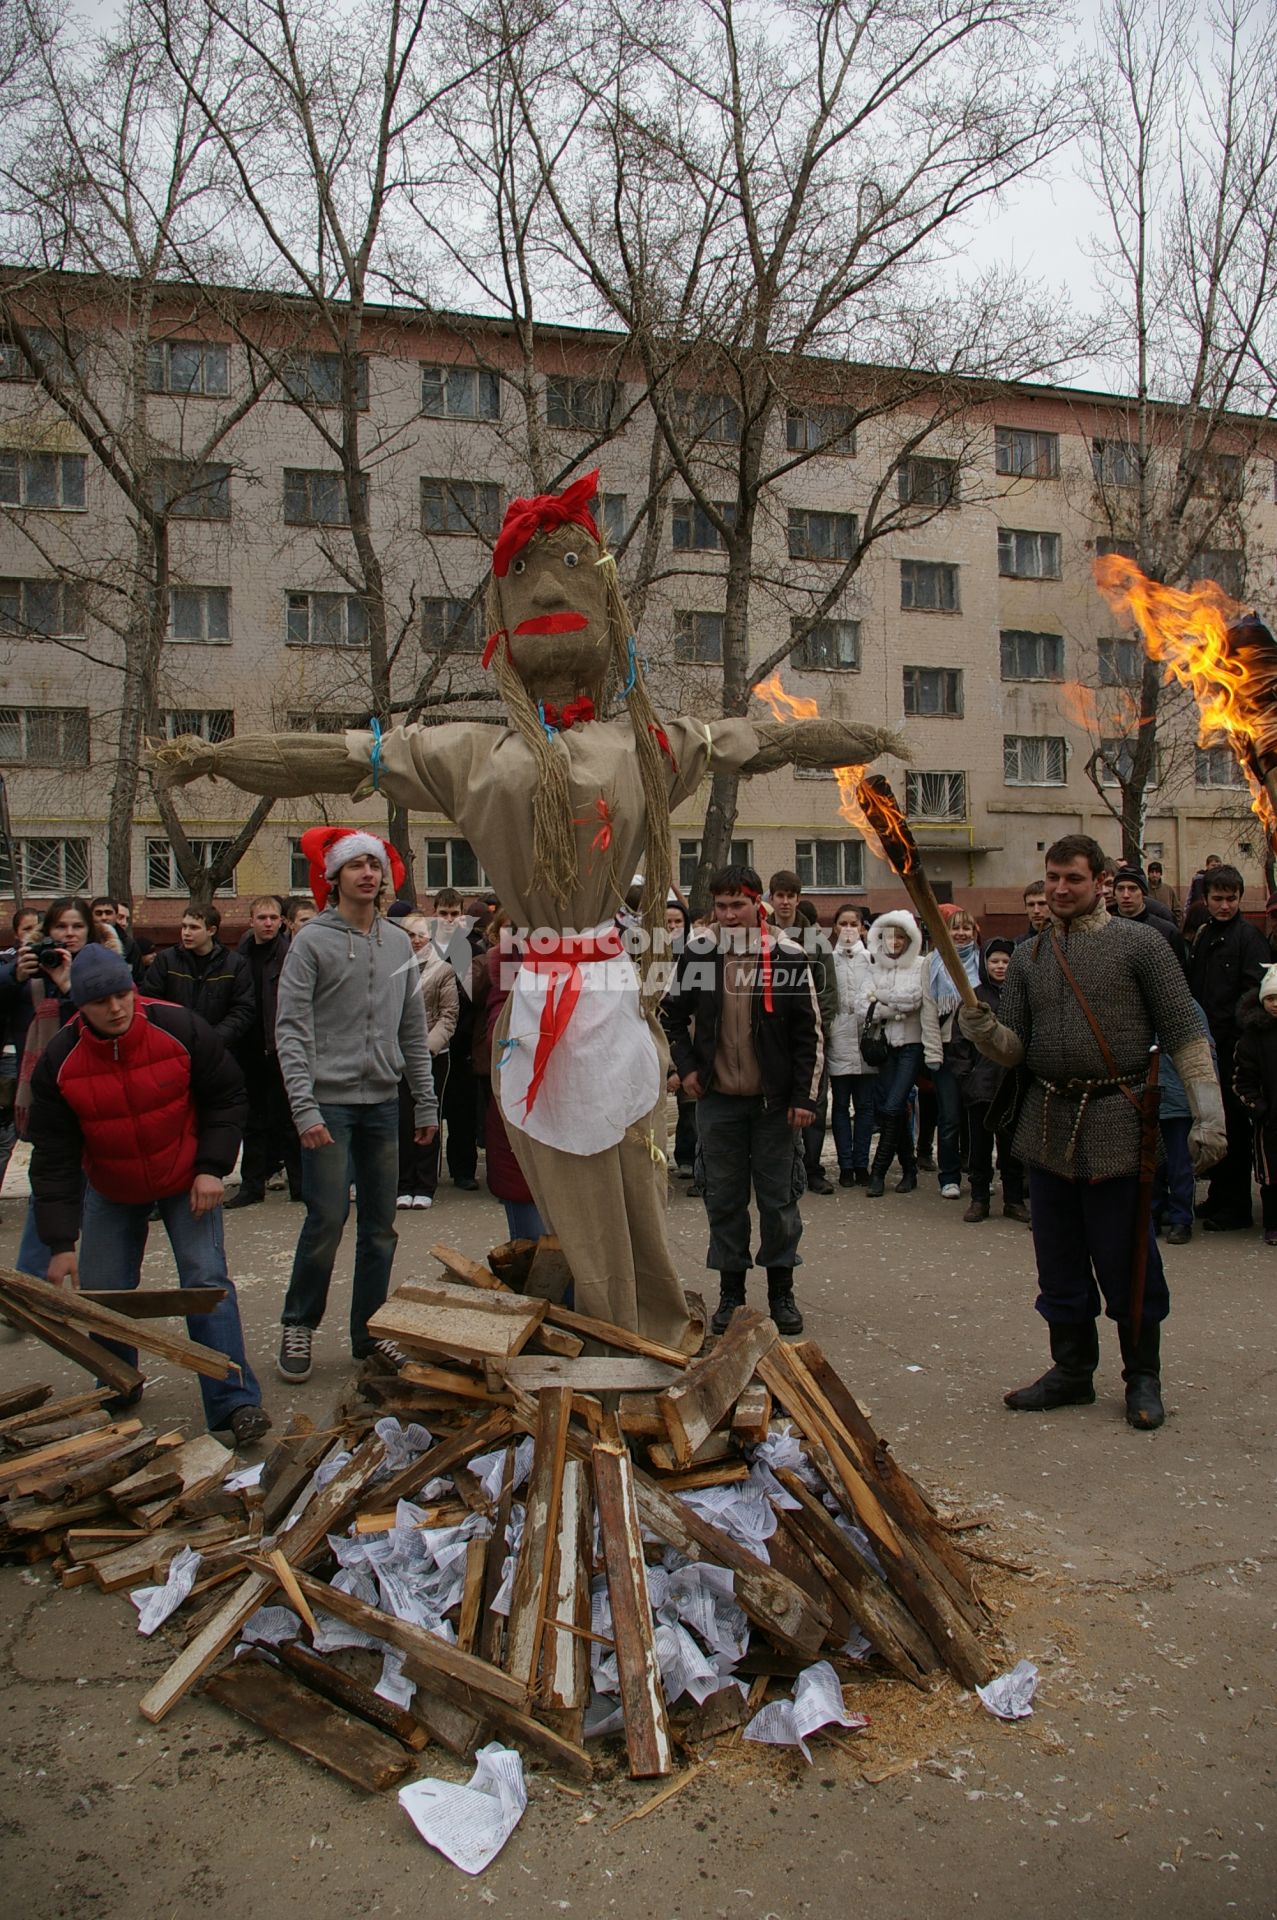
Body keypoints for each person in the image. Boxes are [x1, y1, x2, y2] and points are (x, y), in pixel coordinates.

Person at [152, 464, 897, 1346]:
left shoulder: (641, 744)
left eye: (572, 568)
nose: (548, 588)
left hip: (606, 994)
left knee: (629, 1167)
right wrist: (217, 757)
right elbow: (334, 755)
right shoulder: (468, 751)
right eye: (524, 578)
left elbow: (763, 739)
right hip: (545, 994)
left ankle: (637, 1315)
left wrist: (861, 743)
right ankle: (611, 1316)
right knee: (570, 1175)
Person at [957, 833, 1224, 1430]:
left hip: (1117, 1119)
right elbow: (1015, 1050)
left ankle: (1142, 1376)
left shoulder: (1141, 947)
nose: (1059, 889)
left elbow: (1185, 1031)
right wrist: (983, 1029)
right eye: (1052, 877)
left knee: (1126, 1258)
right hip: (1047, 1120)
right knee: (1058, 1260)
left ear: (1100, 880)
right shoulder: (1028, 957)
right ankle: (1072, 1371)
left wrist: (1210, 1117)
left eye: (1072, 878)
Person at [27, 944, 269, 1442]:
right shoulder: (60, 1060)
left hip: (185, 1178)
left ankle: (233, 1401)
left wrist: (211, 1168)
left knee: (206, 1282)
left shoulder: (179, 1027)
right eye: (101, 1002)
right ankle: (116, 1382)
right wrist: (59, 1243)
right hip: (112, 1186)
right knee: (105, 1288)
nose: (116, 1009)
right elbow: (53, 1157)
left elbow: (227, 1095)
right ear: (82, 1007)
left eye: (122, 995)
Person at [274, 828, 438, 1381]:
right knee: (326, 1217)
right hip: (329, 1103)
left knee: (381, 1226)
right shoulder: (311, 942)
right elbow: (291, 1029)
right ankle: (298, 1323)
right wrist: (305, 1107)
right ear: (334, 876)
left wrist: (425, 1102)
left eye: (375, 865)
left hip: (383, 1103)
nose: (368, 873)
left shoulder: (396, 943)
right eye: (355, 865)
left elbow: (413, 1029)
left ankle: (369, 1334)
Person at [663, 864, 823, 1335]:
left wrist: (805, 1099)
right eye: (722, 905)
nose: (729, 915)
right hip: (718, 1102)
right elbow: (671, 1015)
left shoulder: (789, 954)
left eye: (739, 904)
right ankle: (731, 1292)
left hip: (775, 1106)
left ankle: (781, 1291)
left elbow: (808, 1035)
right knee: (723, 1201)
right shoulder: (698, 955)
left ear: (759, 905)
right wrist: (688, 1067)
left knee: (778, 1203)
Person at [0, 896, 119, 1280]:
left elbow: (111, 1021)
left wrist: (70, 985)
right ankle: (34, 1279)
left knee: (99, 1187)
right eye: (61, 928)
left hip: (96, 1088)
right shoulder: (26, 967)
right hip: (43, 1093)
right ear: (47, 932)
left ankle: (94, 1276)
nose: (68, 935)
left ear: (89, 931)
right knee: (49, 1181)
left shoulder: (105, 969)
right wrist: (13, 976)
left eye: (76, 927)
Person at [1186, 862, 1268, 1231]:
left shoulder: (1248, 938)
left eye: (1230, 899)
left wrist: (1237, 1038)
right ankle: (1218, 1196)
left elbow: (1254, 994)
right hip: (1206, 1045)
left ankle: (1234, 1206)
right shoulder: (1204, 934)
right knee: (1213, 1123)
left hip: (1233, 1048)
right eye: (1217, 899)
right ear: (1206, 899)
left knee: (1234, 1129)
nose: (1224, 905)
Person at [948, 937, 1028, 1224]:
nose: (1000, 966)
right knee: (979, 1148)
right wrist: (966, 1076)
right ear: (985, 964)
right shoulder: (974, 997)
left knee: (1011, 1149)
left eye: (1006, 961)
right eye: (994, 961)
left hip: (1012, 1085)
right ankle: (979, 1199)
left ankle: (1014, 1200)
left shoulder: (1021, 995)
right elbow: (959, 1042)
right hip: (981, 1086)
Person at [228, 895, 301, 1209]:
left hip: (281, 1045)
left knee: (289, 1119)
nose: (268, 923)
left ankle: (301, 1185)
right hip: (249, 1046)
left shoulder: (289, 954)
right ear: (252, 920)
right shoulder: (239, 956)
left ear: (282, 921)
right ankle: (251, 1185)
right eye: (262, 918)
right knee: (253, 1120)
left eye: (273, 918)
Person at [767, 870, 837, 1194]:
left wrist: (809, 1025)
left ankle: (812, 1168)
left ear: (798, 898)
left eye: (790, 895)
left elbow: (827, 991)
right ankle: (776, 1168)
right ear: (771, 898)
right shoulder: (760, 935)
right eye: (779, 895)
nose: (784, 901)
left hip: (807, 1037)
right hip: (768, 1036)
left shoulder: (816, 941)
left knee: (813, 1102)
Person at [858, 909, 924, 1198]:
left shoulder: (921, 965)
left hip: (911, 1046)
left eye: (900, 936)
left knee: (893, 1107)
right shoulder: (874, 968)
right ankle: (909, 1169)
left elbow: (915, 1000)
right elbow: (861, 1006)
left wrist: (881, 1001)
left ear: (910, 939)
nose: (894, 941)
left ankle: (878, 1173)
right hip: (884, 1048)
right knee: (890, 1109)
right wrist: (886, 1007)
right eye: (888, 936)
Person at [397, 911, 459, 1208]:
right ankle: (403, 1182)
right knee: (401, 1119)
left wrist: (425, 1047)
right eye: (410, 934)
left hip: (432, 1055)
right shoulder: (391, 968)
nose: (416, 939)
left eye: (421, 934)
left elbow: (449, 1017)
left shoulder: (442, 970)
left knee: (428, 1117)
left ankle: (425, 1183)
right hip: (395, 1057)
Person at [921, 906, 981, 1199]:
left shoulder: (983, 963)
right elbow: (928, 1010)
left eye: (966, 928)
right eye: (955, 928)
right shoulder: (932, 962)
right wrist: (933, 1052)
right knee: (950, 1117)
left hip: (976, 1051)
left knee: (977, 1117)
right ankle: (949, 1176)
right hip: (945, 1050)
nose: (960, 933)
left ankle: (977, 1174)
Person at [143, 903, 256, 1050]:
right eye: (184, 926)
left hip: (216, 1049)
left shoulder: (234, 964)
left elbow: (243, 1009)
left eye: (194, 927)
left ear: (211, 930)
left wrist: (214, 1038)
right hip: (173, 1045)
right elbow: (150, 1001)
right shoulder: (166, 960)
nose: (186, 933)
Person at [430, 887, 482, 1192]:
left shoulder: (472, 949)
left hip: (462, 1039)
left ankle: (463, 1170)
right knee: (429, 1107)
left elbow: (478, 994)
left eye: (454, 913)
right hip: (430, 1039)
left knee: (462, 1110)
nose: (448, 919)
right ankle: (427, 1170)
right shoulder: (423, 947)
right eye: (443, 914)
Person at [826, 903, 876, 1187]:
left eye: (853, 923)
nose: (848, 929)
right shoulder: (828, 960)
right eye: (842, 923)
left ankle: (861, 1164)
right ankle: (845, 1165)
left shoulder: (871, 959)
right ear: (835, 927)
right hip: (839, 1037)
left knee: (866, 1107)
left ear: (861, 927)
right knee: (841, 1106)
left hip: (866, 1039)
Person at [1233, 965, 1277, 1247]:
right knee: (1272, 1176)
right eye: (1271, 998)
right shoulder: (1253, 1037)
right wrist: (1257, 1106)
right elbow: (1241, 1079)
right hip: (1270, 1120)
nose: (1276, 1004)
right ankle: (1272, 1224)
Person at [1111, 867, 1189, 969]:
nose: (1126, 895)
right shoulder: (1105, 929)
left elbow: (1180, 974)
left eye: (1133, 889)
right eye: (1120, 889)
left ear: (1143, 893)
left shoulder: (1167, 931)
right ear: (1114, 894)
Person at [90, 895, 145, 980]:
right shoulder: (84, 941)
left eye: (108, 913)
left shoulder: (129, 944)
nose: (104, 918)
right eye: (98, 913)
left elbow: (138, 978)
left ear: (116, 916)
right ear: (91, 916)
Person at [1146, 860, 1182, 927]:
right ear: (1148, 874)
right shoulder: (1144, 890)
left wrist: (1176, 925)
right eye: (1152, 872)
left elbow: (1177, 910)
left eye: (1157, 872)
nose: (1154, 875)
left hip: (1167, 926)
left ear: (1160, 874)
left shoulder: (1168, 889)